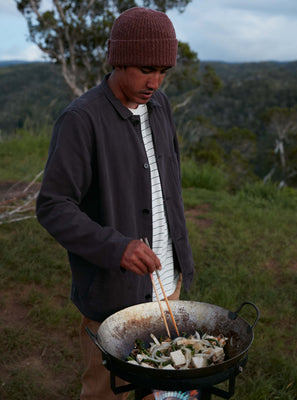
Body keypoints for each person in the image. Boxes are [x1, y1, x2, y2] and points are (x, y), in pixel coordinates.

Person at [36, 7, 194, 400]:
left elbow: (167, 187)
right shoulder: (81, 120)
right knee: (109, 393)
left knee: (162, 387)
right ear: (118, 59)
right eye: (145, 70)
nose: (155, 82)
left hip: (168, 285)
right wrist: (117, 246)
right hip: (114, 298)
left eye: (163, 71)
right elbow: (54, 205)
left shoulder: (160, 107)